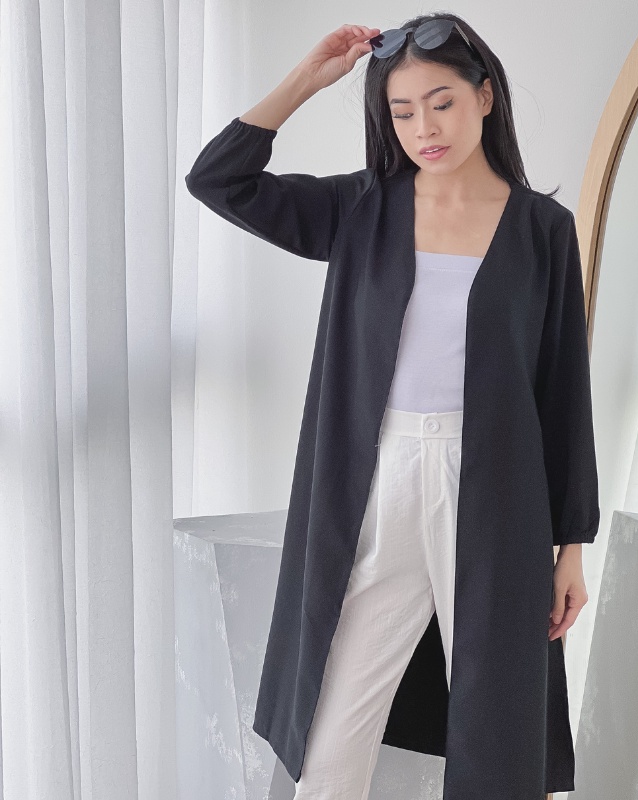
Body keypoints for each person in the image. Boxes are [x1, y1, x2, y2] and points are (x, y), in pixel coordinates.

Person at [185, 13, 600, 799]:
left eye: (441, 104)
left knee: (499, 724)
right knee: (331, 729)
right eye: (402, 113)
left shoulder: (543, 230)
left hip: (497, 489)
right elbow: (219, 181)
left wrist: (571, 546)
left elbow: (562, 390)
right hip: (378, 477)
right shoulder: (361, 209)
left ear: (485, 96)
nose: (424, 129)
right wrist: (307, 79)